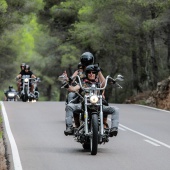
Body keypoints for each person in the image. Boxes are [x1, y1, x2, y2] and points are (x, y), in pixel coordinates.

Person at [64, 64, 119, 137]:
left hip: (98, 105)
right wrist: (67, 84)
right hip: (83, 105)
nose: (91, 74)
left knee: (115, 109)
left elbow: (104, 83)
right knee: (69, 106)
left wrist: (99, 71)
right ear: (86, 74)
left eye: (93, 72)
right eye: (89, 72)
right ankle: (69, 128)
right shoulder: (82, 84)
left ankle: (114, 128)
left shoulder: (98, 84)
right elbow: (72, 89)